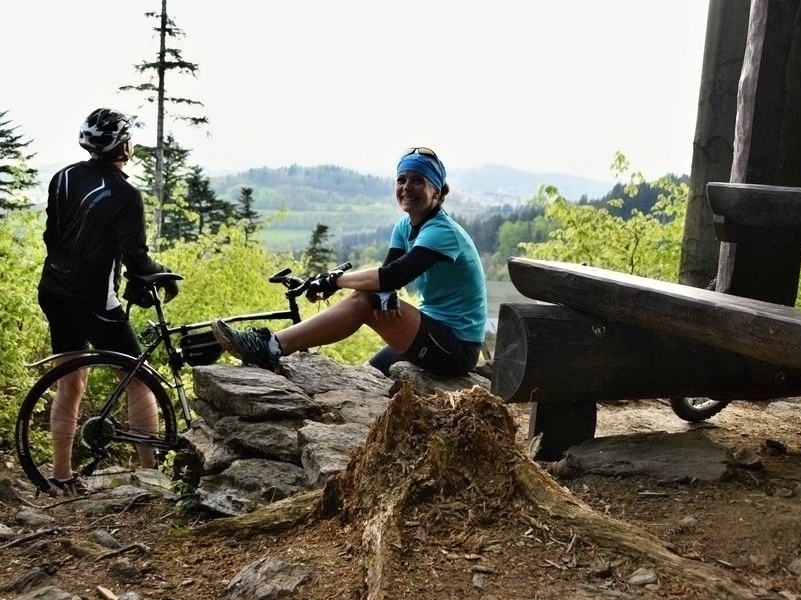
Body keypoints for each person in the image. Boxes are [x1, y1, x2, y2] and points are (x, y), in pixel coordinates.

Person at [212, 146, 487, 377]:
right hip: (431, 329)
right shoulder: (405, 227)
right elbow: (385, 283)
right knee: (371, 374)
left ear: (436, 191)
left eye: (418, 180)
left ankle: (269, 347)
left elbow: (392, 277)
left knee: (365, 301)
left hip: (457, 346)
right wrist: (369, 290)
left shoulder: (441, 231)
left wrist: (335, 280)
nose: (407, 187)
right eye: (402, 179)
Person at [37, 107, 179, 493]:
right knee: (140, 382)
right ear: (125, 147)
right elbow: (137, 259)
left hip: (53, 290)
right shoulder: (126, 195)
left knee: (69, 385)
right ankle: (151, 475)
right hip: (96, 300)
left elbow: (52, 236)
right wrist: (161, 274)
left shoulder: (63, 177)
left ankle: (61, 476)